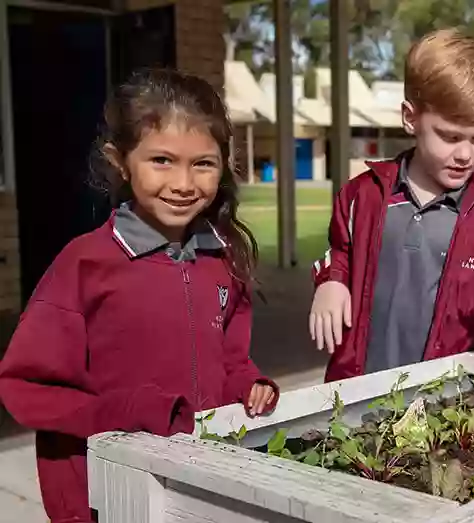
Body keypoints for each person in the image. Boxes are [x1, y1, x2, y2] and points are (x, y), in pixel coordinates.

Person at [0, 69, 278, 523]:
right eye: (162, 160)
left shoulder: (224, 259)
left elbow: (230, 359)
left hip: (198, 488)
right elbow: (26, 388)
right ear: (121, 160)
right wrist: (126, 412)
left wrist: (248, 385)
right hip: (109, 494)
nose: (184, 183)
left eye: (203, 163)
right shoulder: (85, 264)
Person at [309, 28, 474, 383]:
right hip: (354, 395)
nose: (465, 154)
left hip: (443, 402)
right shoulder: (362, 195)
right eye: (450, 136)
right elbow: (341, 252)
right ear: (411, 118)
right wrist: (331, 283)